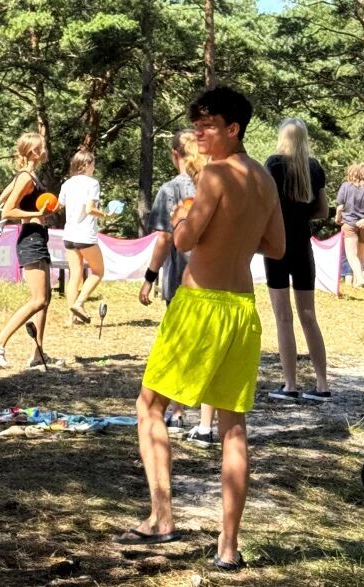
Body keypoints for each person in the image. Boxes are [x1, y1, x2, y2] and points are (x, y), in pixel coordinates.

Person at [117, 87, 284, 574]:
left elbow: (185, 240)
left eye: (209, 126)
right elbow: (276, 246)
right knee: (233, 426)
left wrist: (183, 217)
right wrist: (234, 233)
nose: (200, 135)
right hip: (241, 309)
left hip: (199, 306)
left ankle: (161, 518)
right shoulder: (264, 179)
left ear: (234, 128)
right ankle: (228, 547)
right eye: (197, 126)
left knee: (149, 405)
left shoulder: (214, 174)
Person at [139, 129, 217, 446]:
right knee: (209, 350)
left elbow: (164, 238)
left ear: (175, 155)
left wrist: (149, 277)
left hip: (181, 281)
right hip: (215, 280)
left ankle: (178, 411)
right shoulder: (216, 184)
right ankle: (207, 425)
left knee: (177, 347)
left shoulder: (170, 189)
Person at [263, 119, 331, 403]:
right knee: (308, 316)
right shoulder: (314, 168)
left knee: (283, 317)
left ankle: (290, 384)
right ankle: (322, 384)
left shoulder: (274, 165)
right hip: (303, 247)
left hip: (277, 247)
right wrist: (302, 214)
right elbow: (324, 211)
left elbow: (265, 203)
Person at [0, 132, 58, 369]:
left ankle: (38, 353)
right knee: (38, 300)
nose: (45, 150)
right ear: (34, 152)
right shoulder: (26, 177)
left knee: (46, 299)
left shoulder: (27, 176)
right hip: (31, 239)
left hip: (38, 237)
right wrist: (37, 213)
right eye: (42, 147)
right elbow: (7, 211)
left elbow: (3, 197)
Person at [57, 148, 110, 326]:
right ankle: (79, 303)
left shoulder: (67, 184)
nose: (94, 167)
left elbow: (59, 205)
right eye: (93, 164)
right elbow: (89, 209)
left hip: (69, 235)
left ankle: (71, 319)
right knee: (98, 271)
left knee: (75, 276)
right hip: (85, 235)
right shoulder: (92, 183)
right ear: (86, 165)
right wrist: (106, 215)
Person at [335, 163, 364, 288]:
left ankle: (359, 277)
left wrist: (338, 218)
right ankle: (356, 284)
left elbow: (340, 207)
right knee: (361, 255)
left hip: (349, 223)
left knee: (351, 254)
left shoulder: (346, 186)